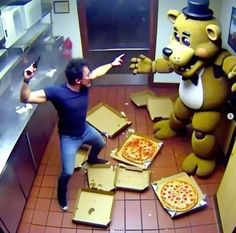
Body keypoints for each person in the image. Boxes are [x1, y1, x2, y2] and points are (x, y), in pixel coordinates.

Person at [20, 54, 124, 211]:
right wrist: (26, 80)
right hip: (69, 138)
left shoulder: (85, 84)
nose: (91, 76)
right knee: (67, 172)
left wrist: (112, 63)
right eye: (87, 75)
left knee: (100, 143)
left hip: (85, 129)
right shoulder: (57, 92)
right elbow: (26, 98)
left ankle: (92, 159)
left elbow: (97, 72)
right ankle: (61, 193)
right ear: (77, 80)